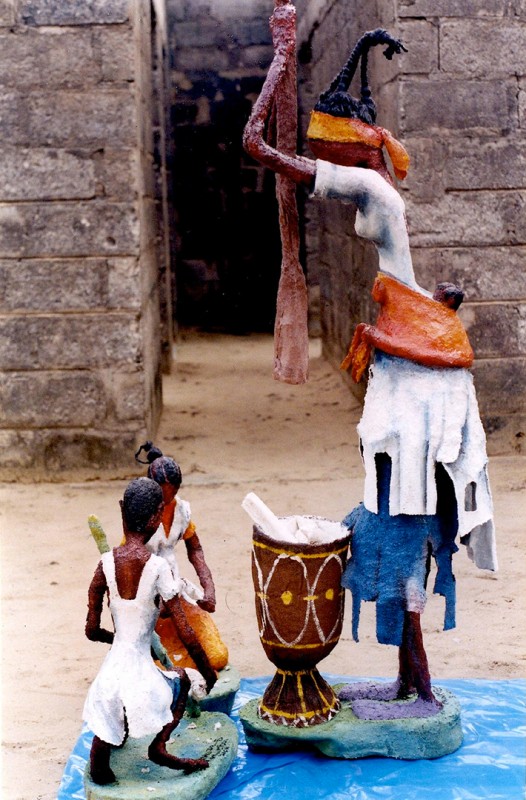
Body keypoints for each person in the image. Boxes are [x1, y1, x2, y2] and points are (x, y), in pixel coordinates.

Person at [243, 2, 497, 719]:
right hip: (406, 353)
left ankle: (412, 684)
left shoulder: (368, 185)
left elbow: (256, 146)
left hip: (413, 375)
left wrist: (278, 62)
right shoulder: (378, 186)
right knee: (395, 504)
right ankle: (409, 680)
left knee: (403, 512)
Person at [83, 478, 210, 785]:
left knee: (109, 716)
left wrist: (119, 641)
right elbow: (186, 632)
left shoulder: (104, 565)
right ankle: (158, 746)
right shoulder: (157, 567)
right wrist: (208, 672)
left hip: (110, 674)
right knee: (180, 679)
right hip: (139, 670)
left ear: (121, 509)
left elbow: (91, 630)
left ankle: (100, 765)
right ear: (156, 518)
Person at [134, 442, 228, 675]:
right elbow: (128, 559)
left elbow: (195, 549)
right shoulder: (139, 511)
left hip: (175, 591)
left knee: (217, 655)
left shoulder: (182, 511)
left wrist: (209, 588)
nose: (168, 499)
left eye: (173, 492)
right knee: (158, 664)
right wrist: (154, 599)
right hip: (147, 600)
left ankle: (184, 660)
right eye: (163, 494)